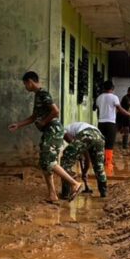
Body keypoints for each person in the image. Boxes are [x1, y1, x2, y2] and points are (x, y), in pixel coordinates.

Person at [9, 71, 83, 203]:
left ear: (30, 82)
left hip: (53, 130)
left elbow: (55, 111)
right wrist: (18, 125)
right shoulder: (37, 95)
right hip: (48, 131)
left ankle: (74, 184)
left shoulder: (43, 94)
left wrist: (44, 122)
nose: (25, 87)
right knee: (45, 163)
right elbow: (33, 117)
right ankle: (52, 195)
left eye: (25, 84)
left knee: (48, 161)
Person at [94, 80, 130, 174]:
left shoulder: (99, 97)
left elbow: (98, 111)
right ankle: (108, 163)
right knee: (109, 144)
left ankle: (102, 161)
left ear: (104, 88)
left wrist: (100, 119)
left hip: (101, 123)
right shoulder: (114, 97)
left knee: (102, 142)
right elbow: (120, 109)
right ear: (112, 88)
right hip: (110, 123)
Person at [61, 121, 108, 198]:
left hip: (86, 134)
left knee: (65, 160)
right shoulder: (79, 127)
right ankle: (103, 191)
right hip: (99, 137)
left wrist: (78, 150)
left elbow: (71, 141)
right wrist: (84, 172)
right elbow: (87, 159)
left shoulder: (64, 130)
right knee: (99, 166)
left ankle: (66, 192)